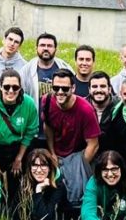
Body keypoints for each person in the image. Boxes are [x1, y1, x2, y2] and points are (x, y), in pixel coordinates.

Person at [0, 69, 39, 220]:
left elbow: (30, 131)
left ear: (20, 88)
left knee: (18, 179)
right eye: (7, 87)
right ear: (0, 87)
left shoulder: (28, 104)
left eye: (15, 87)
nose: (11, 91)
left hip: (18, 146)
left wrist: (19, 158)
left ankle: (18, 213)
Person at [42, 69, 100, 208]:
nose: (60, 92)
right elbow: (47, 126)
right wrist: (51, 152)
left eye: (65, 88)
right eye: (56, 88)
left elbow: (94, 144)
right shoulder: (47, 100)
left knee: (76, 194)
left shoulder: (85, 109)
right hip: (56, 152)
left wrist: (76, 166)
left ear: (73, 88)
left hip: (77, 154)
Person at [18, 147, 65, 220]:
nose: (39, 170)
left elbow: (44, 217)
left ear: (50, 167)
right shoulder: (25, 183)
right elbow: (17, 214)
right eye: (35, 165)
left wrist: (38, 190)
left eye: (43, 165)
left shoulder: (58, 186)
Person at [24, 32, 72, 103]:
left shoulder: (65, 68)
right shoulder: (26, 70)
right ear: (36, 48)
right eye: (42, 45)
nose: (46, 48)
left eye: (49, 46)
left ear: (56, 49)